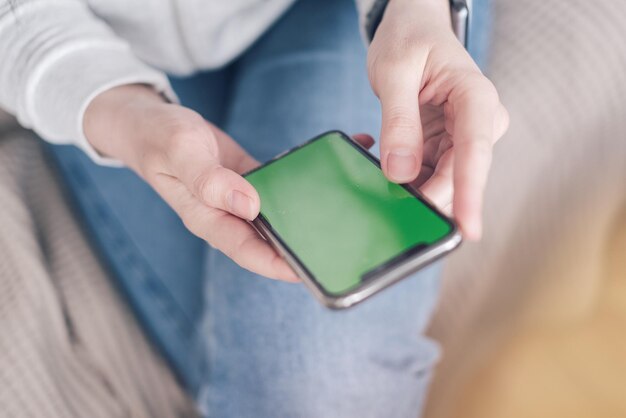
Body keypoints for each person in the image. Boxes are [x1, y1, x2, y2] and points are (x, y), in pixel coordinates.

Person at [0, 0, 508, 416]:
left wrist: (415, 10)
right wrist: (121, 113)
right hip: (88, 39)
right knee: (291, 388)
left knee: (310, 385)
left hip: (338, 13)